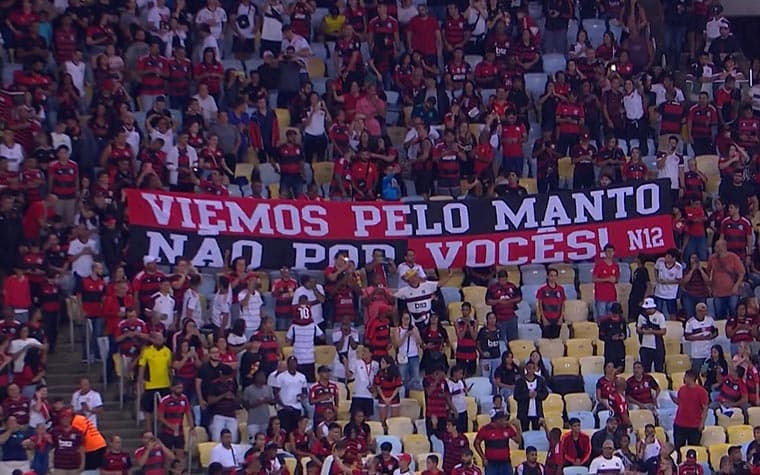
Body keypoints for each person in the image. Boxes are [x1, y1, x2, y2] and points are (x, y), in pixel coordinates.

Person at [137, 333, 173, 431]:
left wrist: (171, 384)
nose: (160, 340)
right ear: (153, 340)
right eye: (158, 338)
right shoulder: (147, 351)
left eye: (161, 338)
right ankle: (149, 432)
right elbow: (142, 369)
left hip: (165, 385)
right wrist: (140, 385)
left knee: (164, 410)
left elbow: (169, 368)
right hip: (150, 385)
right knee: (148, 411)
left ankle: (162, 431)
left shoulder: (167, 351)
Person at [156, 378, 191, 463]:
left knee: (180, 456)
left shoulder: (184, 398)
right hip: (167, 432)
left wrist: (192, 426)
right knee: (167, 457)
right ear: (172, 388)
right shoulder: (165, 400)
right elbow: (160, 416)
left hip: (180, 432)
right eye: (178, 388)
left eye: (181, 388)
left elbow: (188, 413)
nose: (180, 390)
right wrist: (170, 425)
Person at [672, 370, 709, 450]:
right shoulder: (681, 389)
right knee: (678, 448)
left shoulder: (702, 392)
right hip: (679, 424)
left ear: (691, 378)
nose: (684, 378)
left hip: (694, 426)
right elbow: (681, 402)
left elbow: (705, 408)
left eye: (685, 377)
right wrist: (672, 399)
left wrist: (702, 423)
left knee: (693, 448)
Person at [272, 355, 308, 435]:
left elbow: (305, 392)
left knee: (295, 432)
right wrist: (284, 406)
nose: (293, 365)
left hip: (297, 408)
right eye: (291, 363)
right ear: (288, 364)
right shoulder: (281, 377)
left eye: (294, 363)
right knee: (285, 431)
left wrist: (302, 396)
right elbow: (275, 393)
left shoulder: (302, 377)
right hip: (284, 408)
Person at [513, 360, 549, 431]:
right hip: (523, 413)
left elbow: (545, 394)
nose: (531, 370)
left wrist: (537, 395)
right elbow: (516, 396)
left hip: (537, 412)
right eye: (529, 368)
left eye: (533, 368)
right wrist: (527, 395)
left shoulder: (540, 380)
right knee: (524, 432)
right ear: (526, 368)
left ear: (535, 369)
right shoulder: (520, 381)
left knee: (536, 432)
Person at [684, 303, 718, 371]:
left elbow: (716, 332)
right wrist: (700, 338)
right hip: (697, 353)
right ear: (697, 311)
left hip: (709, 352)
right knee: (697, 371)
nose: (704, 313)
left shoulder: (710, 320)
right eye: (701, 311)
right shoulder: (690, 322)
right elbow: (687, 337)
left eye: (705, 311)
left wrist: (711, 337)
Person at [637, 298, 666, 372]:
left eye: (649, 309)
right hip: (645, 346)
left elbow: (663, 331)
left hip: (657, 346)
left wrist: (652, 331)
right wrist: (643, 331)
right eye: (646, 309)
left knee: (658, 368)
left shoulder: (660, 316)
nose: (648, 310)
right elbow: (638, 329)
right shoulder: (641, 316)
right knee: (645, 369)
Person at [592, 244, 620, 320]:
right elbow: (594, 279)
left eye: (611, 251)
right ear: (605, 252)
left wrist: (615, 280)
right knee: (602, 317)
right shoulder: (599, 264)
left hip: (612, 295)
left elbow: (616, 279)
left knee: (612, 316)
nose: (610, 253)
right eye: (608, 251)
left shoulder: (615, 266)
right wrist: (607, 279)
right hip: (601, 296)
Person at [598, 303, 627, 371]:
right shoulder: (605, 322)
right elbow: (601, 336)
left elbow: (625, 333)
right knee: (609, 368)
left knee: (620, 368)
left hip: (620, 349)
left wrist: (623, 336)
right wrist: (611, 338)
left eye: (617, 313)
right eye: (614, 313)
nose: (616, 315)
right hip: (610, 349)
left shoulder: (622, 321)